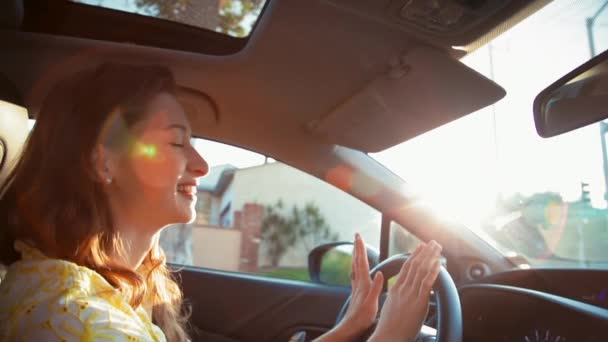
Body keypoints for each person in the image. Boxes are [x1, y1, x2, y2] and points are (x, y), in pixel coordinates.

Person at [0, 63, 442, 341]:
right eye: (177, 143)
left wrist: (351, 328)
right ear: (103, 161)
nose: (201, 165)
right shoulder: (70, 319)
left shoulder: (88, 291)